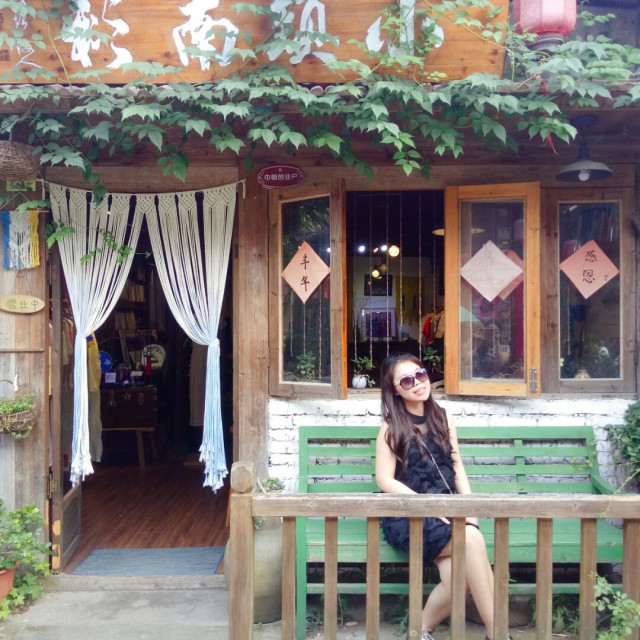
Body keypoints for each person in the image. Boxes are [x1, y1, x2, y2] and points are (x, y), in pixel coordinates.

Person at [375, 353, 511, 640]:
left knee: (460, 579)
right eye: (406, 381)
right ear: (395, 390)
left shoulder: (442, 416)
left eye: (420, 374)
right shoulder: (390, 426)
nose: (417, 383)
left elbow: (456, 464)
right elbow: (384, 480)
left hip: (448, 508)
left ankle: (420, 631)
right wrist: (425, 506)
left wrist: (469, 508)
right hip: (411, 513)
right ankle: (497, 634)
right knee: (471, 539)